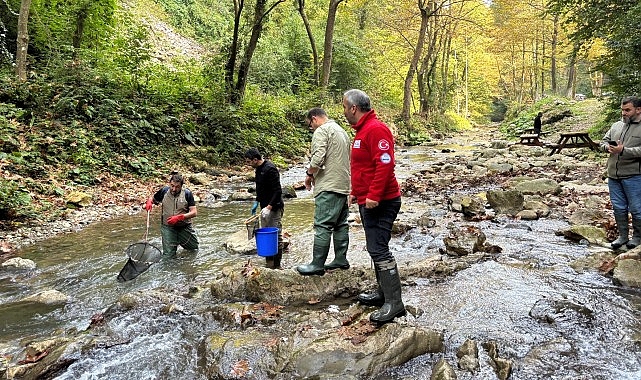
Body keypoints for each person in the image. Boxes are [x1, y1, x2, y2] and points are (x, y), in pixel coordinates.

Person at [343, 89, 405, 325]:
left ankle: (395, 303)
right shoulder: (362, 132)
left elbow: (385, 164)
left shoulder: (376, 129)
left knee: (378, 249)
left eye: (344, 107)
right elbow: (364, 168)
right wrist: (356, 192)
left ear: (353, 108)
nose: (344, 112)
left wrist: (374, 195)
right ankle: (383, 294)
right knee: (374, 248)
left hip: (382, 200)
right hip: (367, 198)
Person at [296, 108, 351, 276]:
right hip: (343, 185)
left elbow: (318, 157)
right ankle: (341, 259)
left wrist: (309, 174)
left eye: (309, 125)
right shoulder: (342, 131)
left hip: (328, 185)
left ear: (314, 119)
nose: (311, 128)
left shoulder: (322, 131)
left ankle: (317, 264)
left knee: (323, 225)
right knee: (341, 224)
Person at [600, 96, 641, 250]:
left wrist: (624, 150)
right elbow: (603, 141)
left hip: (634, 175)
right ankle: (622, 236)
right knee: (618, 207)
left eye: (627, 110)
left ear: (638, 109)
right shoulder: (617, 125)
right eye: (622, 110)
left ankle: (637, 237)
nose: (624, 113)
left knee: (637, 208)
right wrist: (607, 148)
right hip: (613, 175)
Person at [245, 148, 285, 269]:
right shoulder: (258, 169)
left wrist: (269, 207)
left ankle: (277, 266)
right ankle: (269, 263)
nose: (247, 164)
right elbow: (260, 188)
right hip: (264, 207)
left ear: (255, 159)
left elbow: (278, 191)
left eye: (248, 161)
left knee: (276, 235)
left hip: (274, 207)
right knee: (267, 235)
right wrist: (257, 201)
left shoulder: (270, 169)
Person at [144, 172, 198, 256]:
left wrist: (180, 217)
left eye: (177, 187)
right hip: (167, 227)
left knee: (193, 249)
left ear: (181, 186)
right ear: (169, 183)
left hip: (184, 226)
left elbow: (194, 212)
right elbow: (153, 199)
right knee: (168, 255)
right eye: (172, 186)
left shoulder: (187, 194)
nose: (173, 189)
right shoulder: (164, 191)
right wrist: (149, 202)